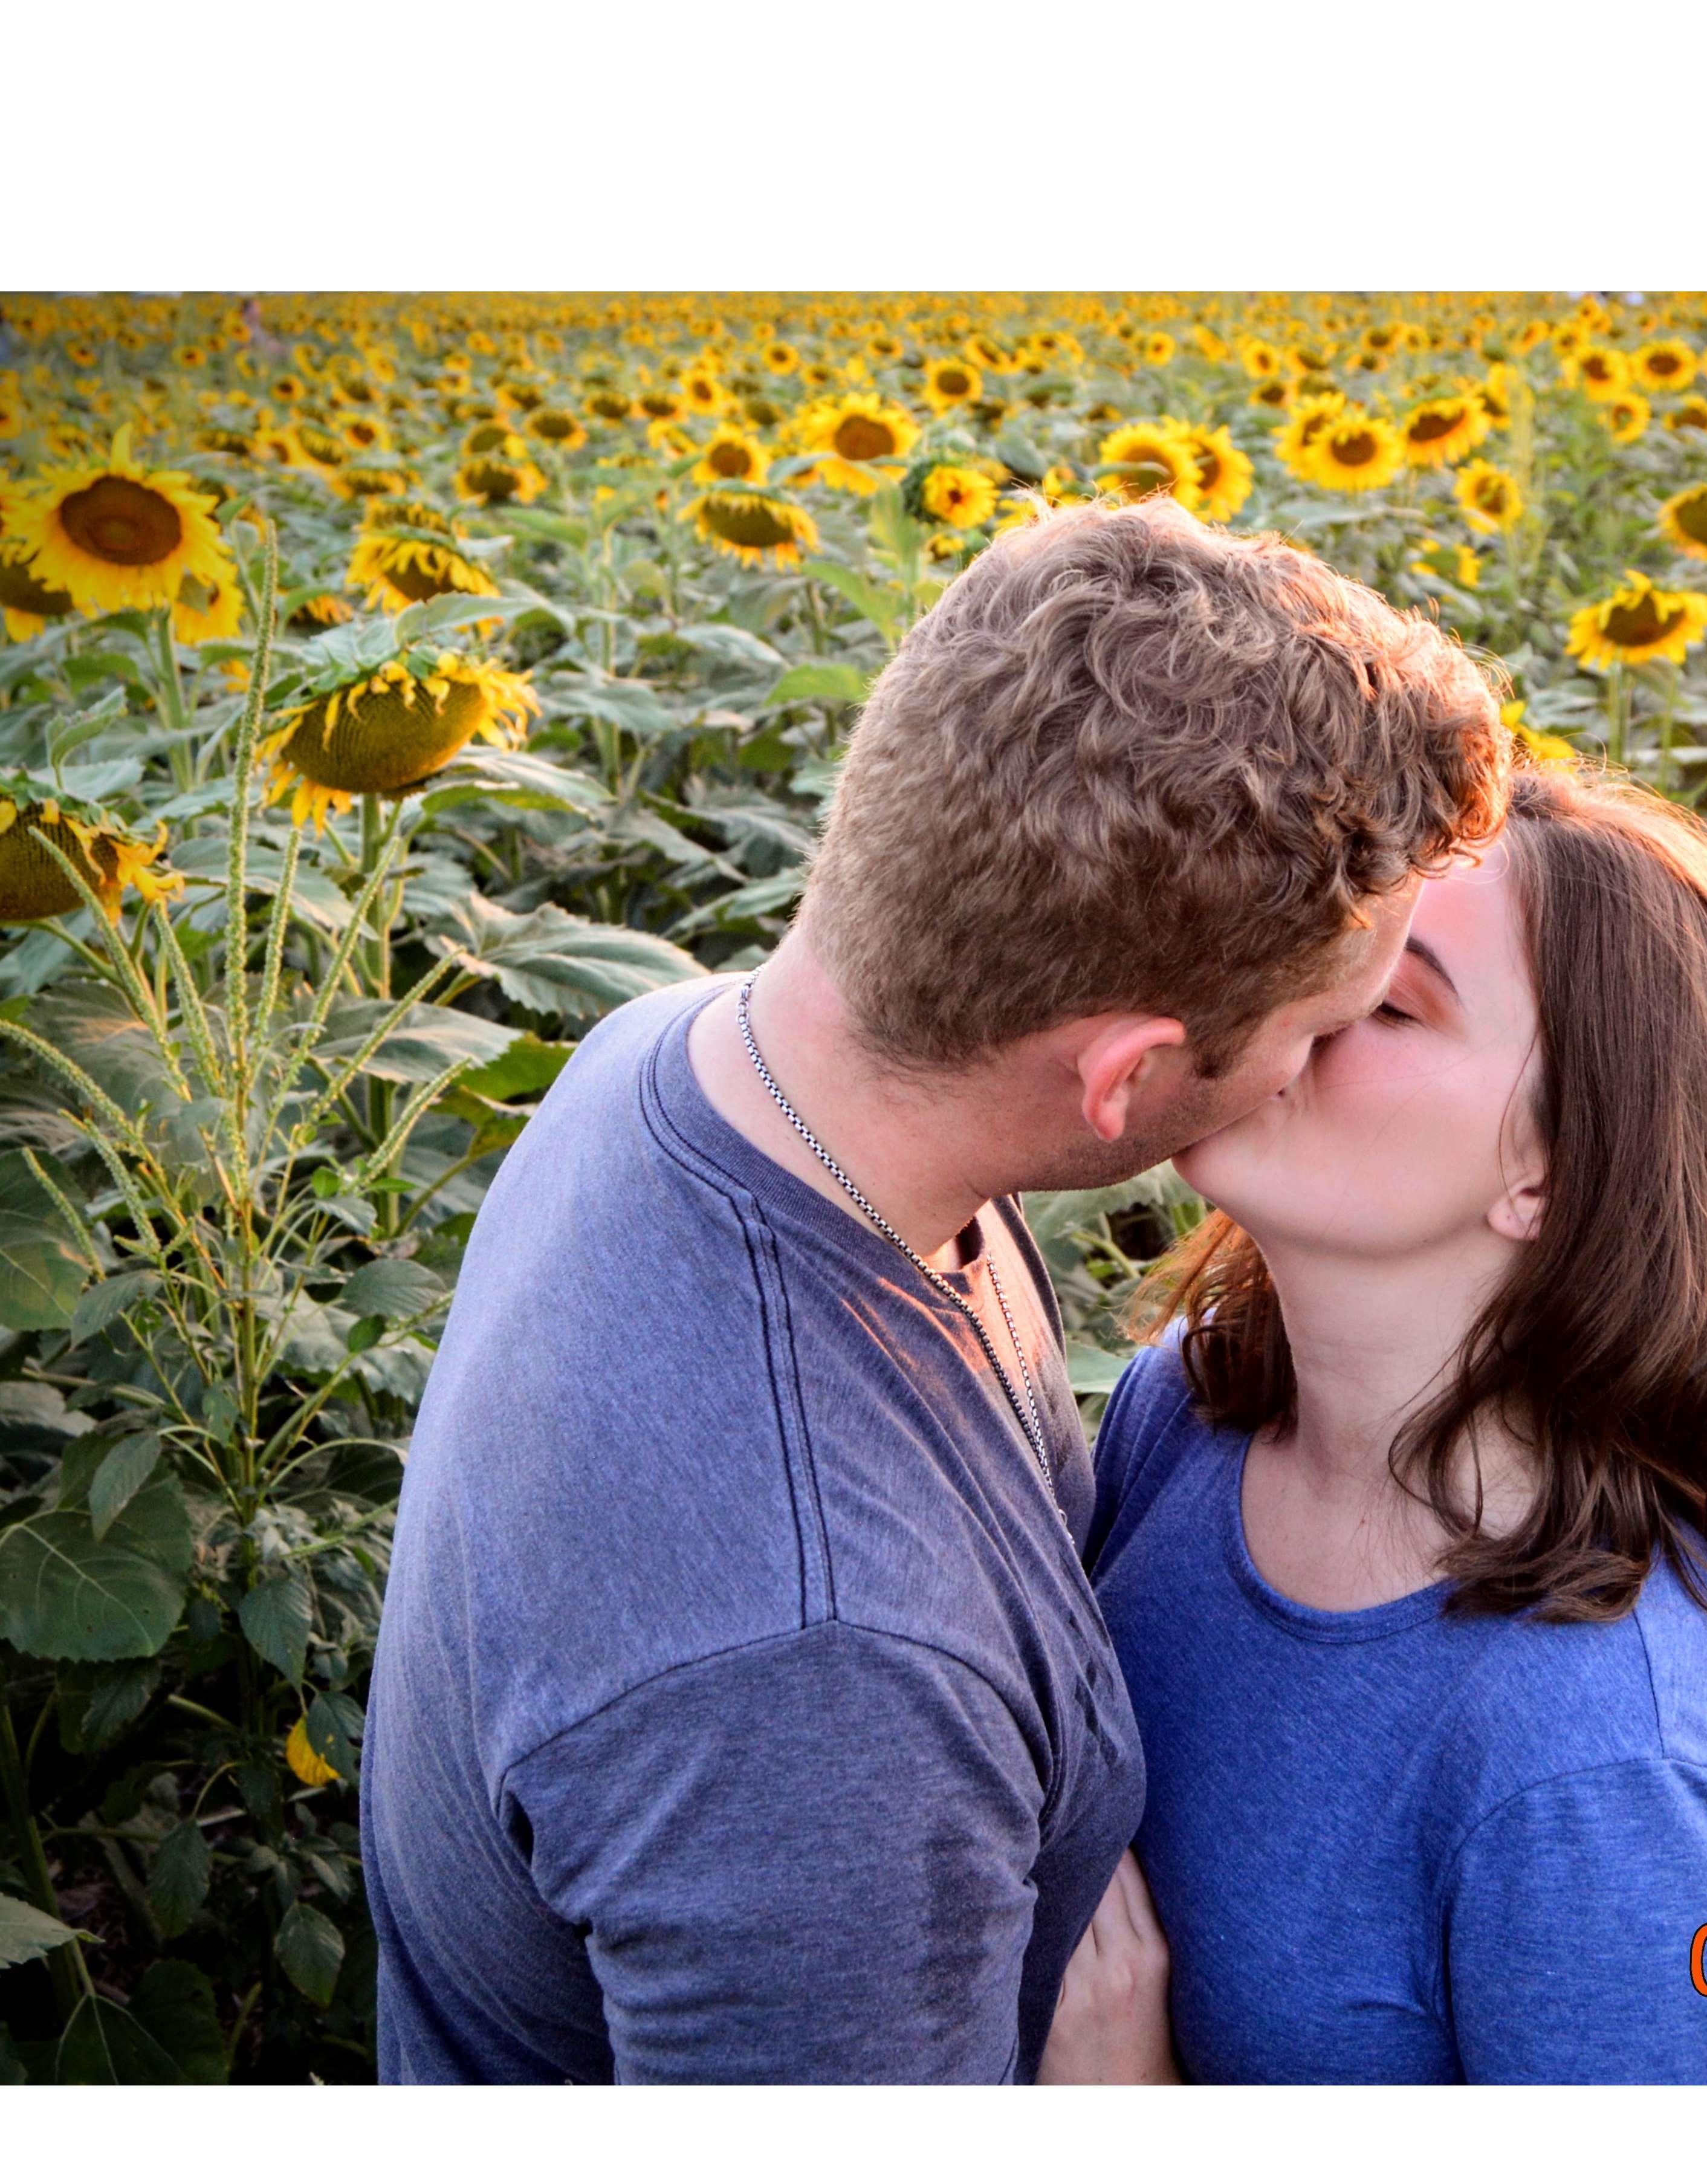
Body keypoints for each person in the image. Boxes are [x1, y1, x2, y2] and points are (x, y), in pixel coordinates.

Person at [360, 497, 1510, 2082]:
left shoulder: (705, 1059)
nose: (1315, 1077)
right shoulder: (819, 1679)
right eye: (1318, 1031)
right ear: (1122, 1075)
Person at [1038, 767, 1707, 2085]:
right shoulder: (1180, 1415)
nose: (1287, 999)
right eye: (1317, 945)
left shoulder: (1611, 1780)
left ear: (1555, 1167)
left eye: (1392, 999)